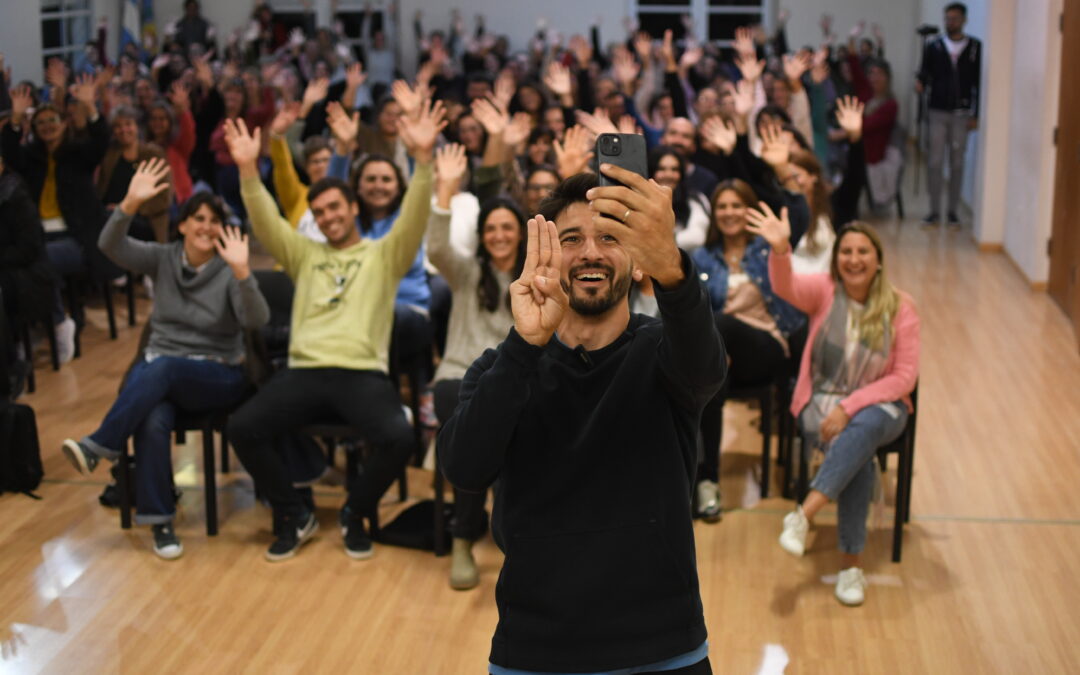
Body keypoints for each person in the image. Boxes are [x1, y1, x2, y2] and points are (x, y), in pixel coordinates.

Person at [440, 163, 724, 674]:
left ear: (637, 264)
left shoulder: (666, 354)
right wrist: (525, 346)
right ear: (546, 259)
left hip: (664, 647)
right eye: (571, 239)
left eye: (610, 238)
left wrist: (673, 270)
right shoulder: (502, 367)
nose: (591, 252)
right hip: (534, 649)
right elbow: (464, 468)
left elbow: (707, 368)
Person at [222, 100, 443, 562]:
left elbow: (415, 216)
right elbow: (265, 220)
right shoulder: (305, 254)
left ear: (353, 208)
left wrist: (423, 162)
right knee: (242, 427)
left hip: (362, 373)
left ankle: (354, 512)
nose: (327, 217)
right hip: (304, 371)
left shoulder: (384, 255)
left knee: (400, 438)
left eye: (335, 208)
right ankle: (293, 512)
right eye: (319, 212)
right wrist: (247, 170)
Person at [60, 159, 270, 560]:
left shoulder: (229, 268)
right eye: (198, 219)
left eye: (214, 221)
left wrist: (244, 273)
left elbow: (256, 321)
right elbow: (109, 246)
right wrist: (129, 204)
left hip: (218, 374)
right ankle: (160, 521)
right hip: (163, 373)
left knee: (162, 368)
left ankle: (100, 445)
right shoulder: (163, 258)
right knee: (153, 418)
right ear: (183, 225)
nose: (206, 227)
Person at [749, 210, 919, 606]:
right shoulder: (824, 290)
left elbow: (904, 377)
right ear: (836, 258)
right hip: (823, 402)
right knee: (856, 450)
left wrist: (851, 406)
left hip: (883, 406)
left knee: (863, 427)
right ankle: (850, 568)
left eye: (863, 252)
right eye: (846, 252)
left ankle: (804, 515)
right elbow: (784, 285)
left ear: (878, 260)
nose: (854, 259)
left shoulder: (901, 307)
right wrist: (780, 249)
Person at [426, 144, 525, 591]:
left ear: (520, 233)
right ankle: (464, 539)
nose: (499, 235)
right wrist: (445, 190)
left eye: (507, 227)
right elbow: (436, 246)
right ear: (482, 236)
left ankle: (510, 538)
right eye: (491, 228)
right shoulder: (466, 272)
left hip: (509, 382)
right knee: (472, 430)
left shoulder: (535, 277)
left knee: (488, 434)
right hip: (457, 375)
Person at [690, 177, 807, 520]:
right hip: (723, 358)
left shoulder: (765, 249)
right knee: (710, 382)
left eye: (736, 205)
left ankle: (704, 480)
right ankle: (707, 481)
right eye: (722, 206)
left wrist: (781, 246)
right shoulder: (702, 257)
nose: (729, 213)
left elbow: (800, 218)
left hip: (767, 348)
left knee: (719, 324)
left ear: (749, 209)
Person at [2, 77, 112, 361]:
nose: (47, 126)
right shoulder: (31, 158)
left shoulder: (79, 154)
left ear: (63, 124)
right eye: (40, 122)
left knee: (36, 263)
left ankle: (57, 322)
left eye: (52, 120)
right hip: (39, 236)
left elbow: (101, 142)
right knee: (22, 265)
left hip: (75, 238)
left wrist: (90, 106)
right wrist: (16, 118)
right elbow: (9, 152)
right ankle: (42, 326)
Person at [916, 2, 981, 228]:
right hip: (937, 110)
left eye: (954, 18)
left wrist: (976, 114)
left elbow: (978, 83)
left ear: (963, 20)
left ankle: (952, 212)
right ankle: (934, 211)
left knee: (957, 162)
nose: (950, 22)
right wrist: (920, 82)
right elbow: (925, 73)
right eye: (947, 18)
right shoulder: (934, 46)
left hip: (962, 112)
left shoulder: (974, 48)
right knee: (934, 161)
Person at [649, 145, 710, 253]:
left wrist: (663, 241)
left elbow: (697, 237)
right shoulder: (641, 201)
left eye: (674, 169)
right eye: (661, 169)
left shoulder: (695, 199)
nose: (669, 174)